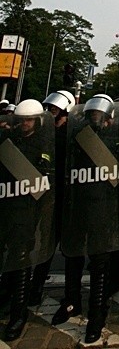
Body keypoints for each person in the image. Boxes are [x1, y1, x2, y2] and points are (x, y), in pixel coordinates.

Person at [53, 95, 119, 344]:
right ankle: (71, 301)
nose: (95, 120)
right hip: (79, 208)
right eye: (92, 115)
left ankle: (97, 314)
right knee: (73, 258)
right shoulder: (77, 139)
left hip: (105, 210)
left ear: (109, 118)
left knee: (99, 263)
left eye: (99, 116)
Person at [0, 99, 55, 339]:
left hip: (27, 209)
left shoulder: (44, 143)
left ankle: (18, 313)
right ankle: (5, 298)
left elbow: (45, 179)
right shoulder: (9, 140)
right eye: (22, 120)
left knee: (21, 258)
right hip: (6, 207)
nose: (25, 124)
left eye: (29, 120)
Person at [29, 89, 76, 306]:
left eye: (55, 109)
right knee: (44, 246)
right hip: (47, 196)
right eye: (49, 108)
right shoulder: (44, 132)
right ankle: (35, 289)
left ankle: (71, 296)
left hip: (67, 197)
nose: (50, 112)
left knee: (70, 250)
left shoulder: (72, 133)